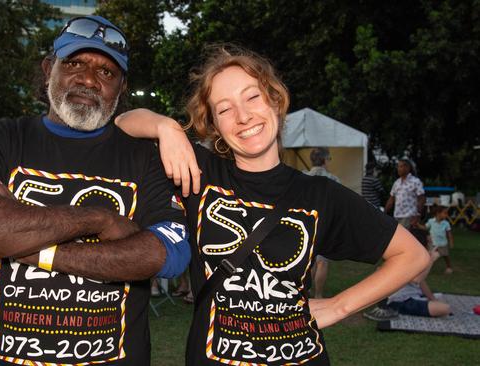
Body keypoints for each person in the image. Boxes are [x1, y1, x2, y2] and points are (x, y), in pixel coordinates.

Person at [115, 43, 429, 365]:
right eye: (224, 109)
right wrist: (166, 127)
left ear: (275, 101)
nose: (243, 115)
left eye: (252, 97)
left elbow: (413, 255)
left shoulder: (322, 195)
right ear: (215, 126)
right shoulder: (198, 171)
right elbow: (123, 123)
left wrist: (340, 306)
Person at [0, 15, 189, 365]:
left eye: (106, 72)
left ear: (121, 87)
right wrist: (98, 220)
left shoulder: (144, 156)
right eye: (74, 63)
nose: (88, 80)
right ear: (48, 69)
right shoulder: (2, 137)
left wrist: (27, 245)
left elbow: (166, 255)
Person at [304, 147, 340, 299]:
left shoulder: (302, 176)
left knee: (309, 260)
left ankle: (307, 291)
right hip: (326, 222)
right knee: (322, 262)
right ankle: (318, 295)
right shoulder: (334, 179)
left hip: (306, 222)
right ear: (325, 160)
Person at [387, 249, 450, 317]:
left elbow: (422, 282)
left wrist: (433, 299)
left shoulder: (414, 260)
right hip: (400, 301)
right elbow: (417, 280)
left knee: (441, 299)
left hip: (413, 296)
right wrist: (431, 260)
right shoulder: (402, 260)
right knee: (445, 309)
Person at [385, 158, 425, 228]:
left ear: (407, 168)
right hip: (397, 216)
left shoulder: (415, 181)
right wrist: (384, 213)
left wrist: (418, 215)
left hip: (409, 216)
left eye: (401, 166)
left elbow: (421, 199)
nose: (398, 169)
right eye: (398, 166)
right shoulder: (397, 183)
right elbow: (391, 199)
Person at [423, 205, 454, 274]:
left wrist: (451, 242)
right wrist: (418, 225)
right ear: (438, 213)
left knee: (445, 256)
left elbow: (449, 233)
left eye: (447, 213)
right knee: (430, 257)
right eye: (445, 213)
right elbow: (425, 227)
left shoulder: (446, 223)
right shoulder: (431, 221)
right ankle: (426, 269)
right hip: (433, 243)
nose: (446, 215)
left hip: (443, 243)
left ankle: (449, 267)